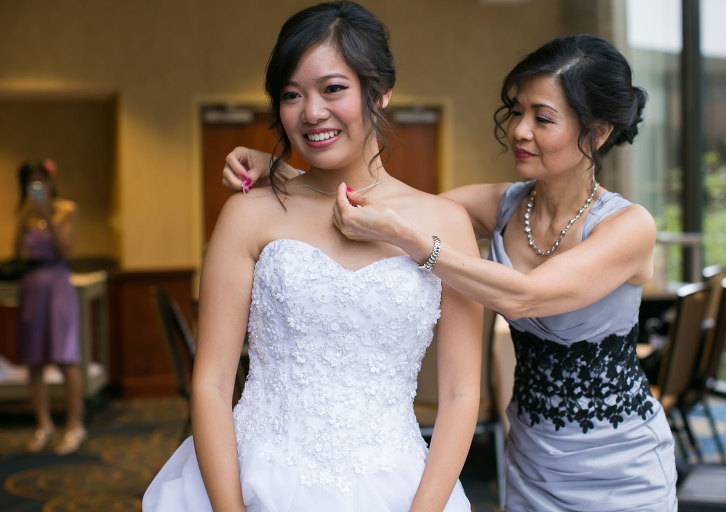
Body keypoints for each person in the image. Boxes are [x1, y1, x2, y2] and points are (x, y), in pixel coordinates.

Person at [223, 34, 678, 511]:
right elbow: (390, 205)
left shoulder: (630, 226)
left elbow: (526, 296)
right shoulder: (504, 206)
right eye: (516, 112)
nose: (520, 131)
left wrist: (415, 242)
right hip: (531, 460)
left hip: (622, 464)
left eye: (542, 118)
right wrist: (285, 173)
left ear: (598, 132)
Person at [144, 2, 482, 511]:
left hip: (398, 485)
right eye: (291, 95)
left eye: (333, 89)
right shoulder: (247, 215)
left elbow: (460, 395)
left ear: (381, 91)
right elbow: (211, 383)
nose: (311, 112)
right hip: (258, 476)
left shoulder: (445, 223)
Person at [13, 159, 86, 455]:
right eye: (30, 181)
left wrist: (48, 218)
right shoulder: (24, 213)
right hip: (32, 285)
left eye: (40, 180)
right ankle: (43, 424)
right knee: (34, 360)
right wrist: (24, 218)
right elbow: (16, 253)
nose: (37, 186)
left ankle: (74, 425)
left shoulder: (66, 209)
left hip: (58, 284)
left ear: (50, 182)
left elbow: (67, 251)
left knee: (66, 357)